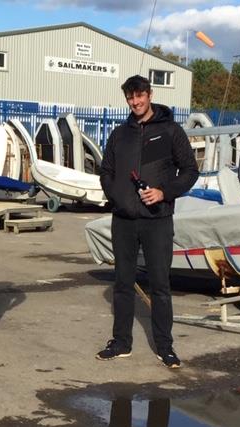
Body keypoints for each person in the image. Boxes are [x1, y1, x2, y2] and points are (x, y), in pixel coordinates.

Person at [96, 75, 198, 369]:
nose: (135, 102)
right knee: (123, 283)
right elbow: (106, 170)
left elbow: (189, 170)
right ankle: (121, 342)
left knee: (160, 285)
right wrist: (116, 195)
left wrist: (164, 192)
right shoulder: (120, 134)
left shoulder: (169, 130)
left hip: (158, 220)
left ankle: (165, 346)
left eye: (139, 96)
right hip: (124, 220)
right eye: (130, 98)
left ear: (149, 95)